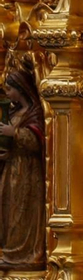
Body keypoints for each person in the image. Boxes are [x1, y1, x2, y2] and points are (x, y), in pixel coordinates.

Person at [0, 67, 45, 267]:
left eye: (10, 89)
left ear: (21, 88)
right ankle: (9, 250)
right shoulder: (14, 111)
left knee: (23, 211)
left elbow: (36, 142)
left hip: (28, 170)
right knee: (9, 210)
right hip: (12, 168)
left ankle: (22, 252)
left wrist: (14, 133)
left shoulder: (33, 113)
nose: (7, 94)